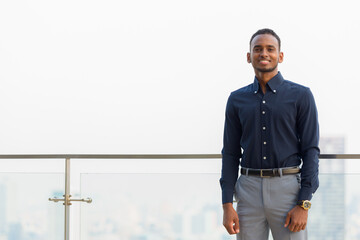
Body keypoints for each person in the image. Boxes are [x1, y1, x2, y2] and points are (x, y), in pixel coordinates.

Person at [220, 28, 319, 240]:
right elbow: (230, 153)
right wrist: (227, 204)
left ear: (280, 56)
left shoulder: (301, 96)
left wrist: (304, 203)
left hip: (288, 190)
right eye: (257, 49)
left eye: (270, 49)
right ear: (249, 57)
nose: (264, 53)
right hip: (247, 191)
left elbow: (311, 150)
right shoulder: (236, 99)